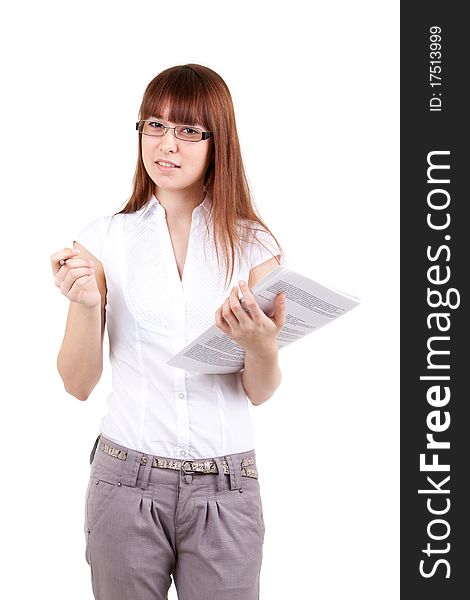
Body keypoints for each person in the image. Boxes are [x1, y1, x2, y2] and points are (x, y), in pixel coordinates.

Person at [52, 63, 287, 600]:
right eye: (154, 126)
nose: (167, 145)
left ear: (216, 141)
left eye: (188, 130)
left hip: (226, 491)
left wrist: (261, 345)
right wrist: (87, 306)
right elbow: (77, 383)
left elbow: (261, 391)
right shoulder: (102, 240)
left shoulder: (255, 247)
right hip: (124, 482)